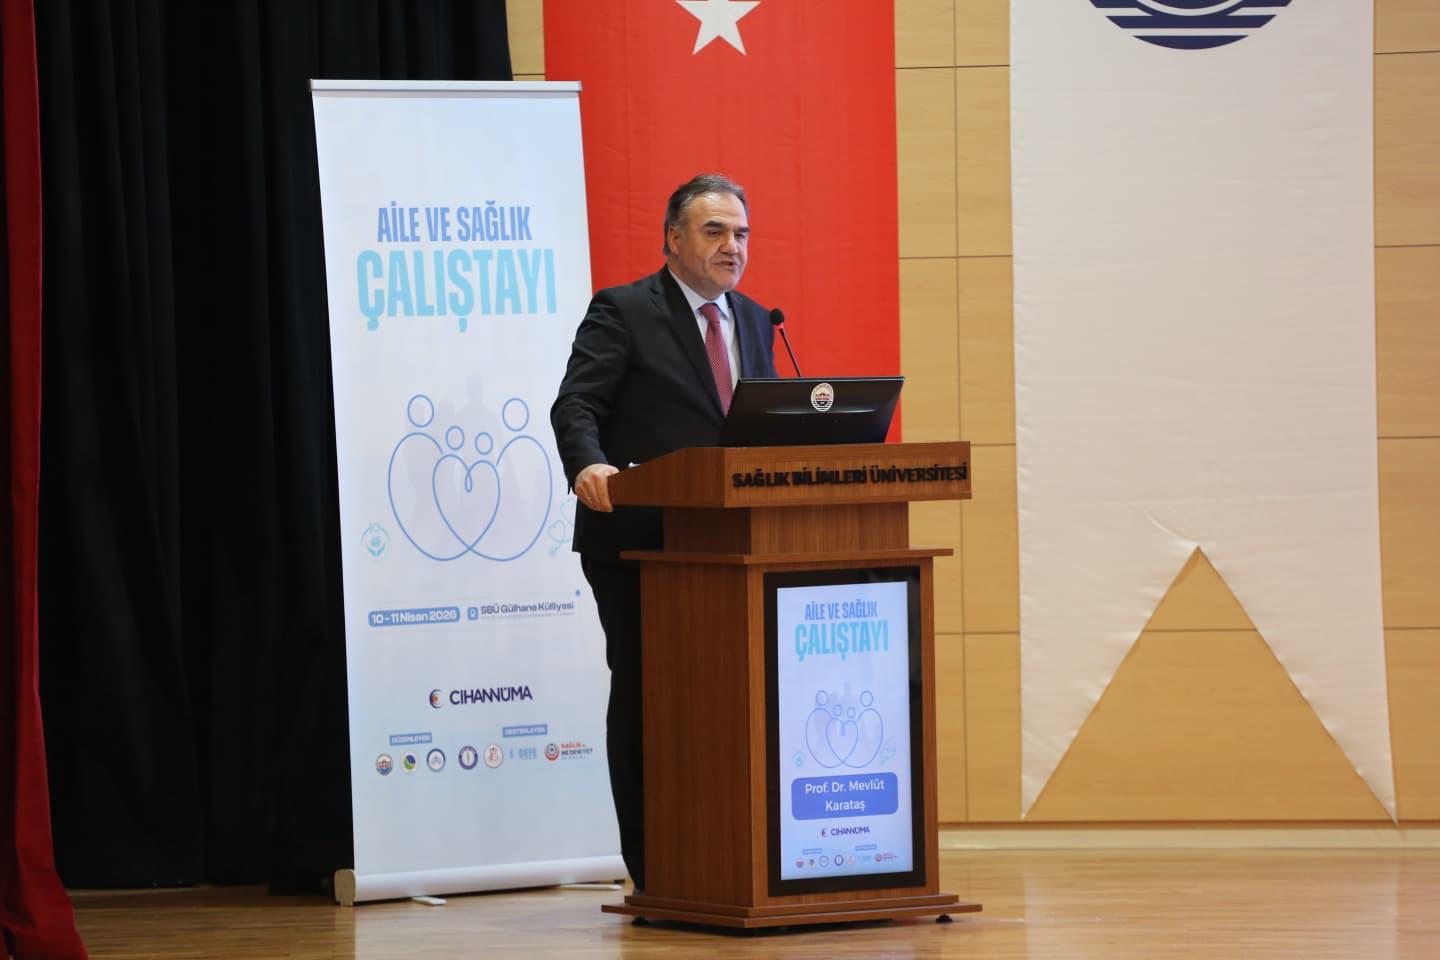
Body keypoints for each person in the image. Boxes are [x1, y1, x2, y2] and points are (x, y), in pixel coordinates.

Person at [550, 173, 777, 891]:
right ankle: (654, 866)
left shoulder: (754, 320)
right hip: (639, 540)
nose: (732, 246)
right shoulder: (624, 310)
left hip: (732, 546)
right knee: (651, 694)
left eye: (741, 233)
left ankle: (725, 855)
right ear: (673, 238)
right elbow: (576, 404)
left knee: (730, 699)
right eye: (715, 232)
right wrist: (588, 464)